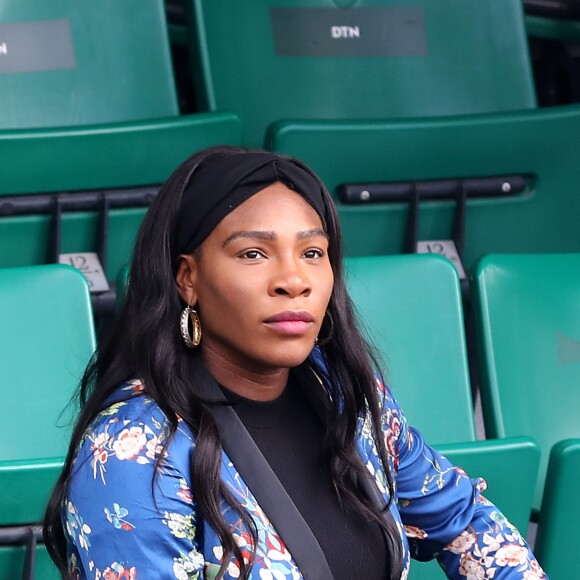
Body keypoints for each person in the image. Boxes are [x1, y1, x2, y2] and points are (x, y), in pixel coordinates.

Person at [44, 146, 547, 580]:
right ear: (187, 278)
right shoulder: (132, 455)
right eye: (254, 254)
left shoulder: (344, 392)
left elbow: (464, 520)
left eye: (312, 252)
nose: (294, 280)